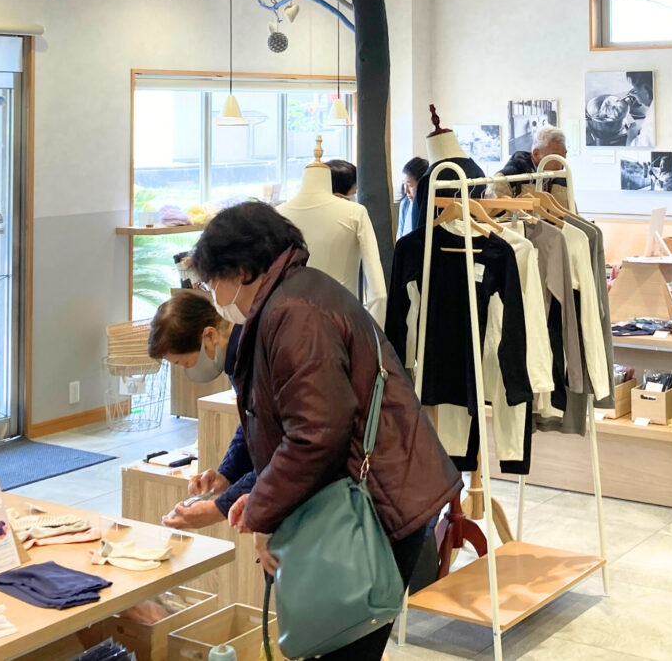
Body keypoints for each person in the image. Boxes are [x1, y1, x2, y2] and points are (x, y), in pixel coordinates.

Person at [190, 201, 462, 660]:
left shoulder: (294, 312)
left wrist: (261, 511)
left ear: (241, 271)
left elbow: (315, 434)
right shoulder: (295, 297)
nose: (212, 294)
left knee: (343, 643)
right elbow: (275, 415)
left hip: (375, 502)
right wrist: (248, 488)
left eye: (211, 281)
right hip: (368, 492)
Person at [147, 292, 251, 530]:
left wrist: (219, 507)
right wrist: (226, 475)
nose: (188, 371)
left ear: (210, 336)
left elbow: (278, 452)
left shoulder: (254, 358)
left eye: (185, 363)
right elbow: (251, 424)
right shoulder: (237, 362)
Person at [493, 126, 570, 206]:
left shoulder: (561, 178)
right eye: (554, 157)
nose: (561, 165)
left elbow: (572, 211)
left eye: (563, 157)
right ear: (536, 154)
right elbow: (493, 212)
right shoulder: (505, 180)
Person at [397, 156, 426, 239]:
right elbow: (399, 236)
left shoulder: (428, 206)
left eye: (410, 185)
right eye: (404, 184)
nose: (406, 191)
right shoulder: (405, 203)